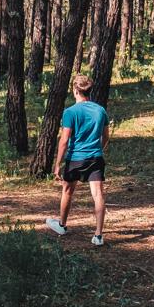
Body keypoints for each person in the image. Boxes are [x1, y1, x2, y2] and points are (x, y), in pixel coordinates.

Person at [46, 74, 108, 245]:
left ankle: (62, 225)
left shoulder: (70, 112)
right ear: (89, 91)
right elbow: (106, 136)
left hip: (75, 158)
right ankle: (98, 235)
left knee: (67, 191)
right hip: (95, 157)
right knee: (98, 194)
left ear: (75, 90)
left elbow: (64, 140)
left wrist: (57, 164)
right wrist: (97, 150)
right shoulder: (100, 110)